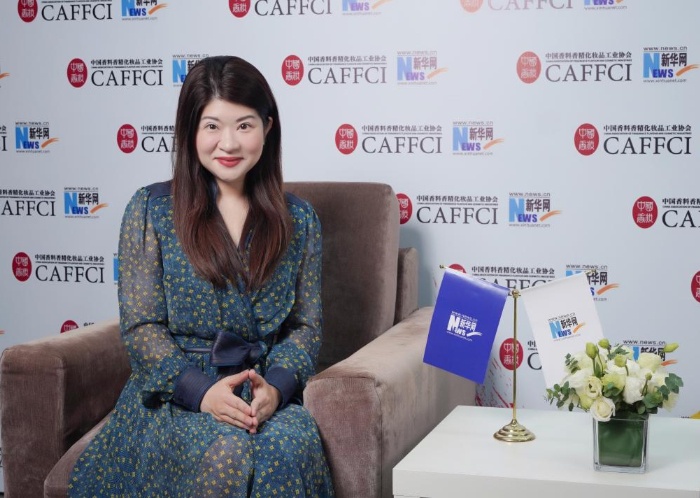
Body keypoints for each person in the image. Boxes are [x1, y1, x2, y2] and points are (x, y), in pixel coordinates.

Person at [69, 56, 335, 497]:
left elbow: (305, 327)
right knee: (226, 451)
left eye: (244, 125)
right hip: (176, 396)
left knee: (285, 451)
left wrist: (277, 388)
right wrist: (202, 392)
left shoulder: (299, 220)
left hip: (260, 393)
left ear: (268, 127)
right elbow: (141, 327)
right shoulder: (152, 210)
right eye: (212, 126)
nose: (228, 142)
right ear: (190, 131)